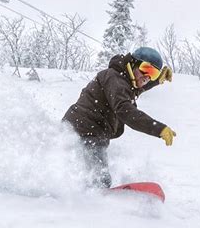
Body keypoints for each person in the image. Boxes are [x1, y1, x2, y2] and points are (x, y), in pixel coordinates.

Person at [62, 47, 176, 188]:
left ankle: (77, 193)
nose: (147, 76)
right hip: (84, 130)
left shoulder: (125, 80)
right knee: (99, 180)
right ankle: (88, 203)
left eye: (153, 73)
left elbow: (135, 88)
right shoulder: (115, 78)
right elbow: (126, 110)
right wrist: (158, 129)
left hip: (89, 131)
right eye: (145, 68)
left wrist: (157, 80)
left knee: (89, 176)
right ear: (133, 63)